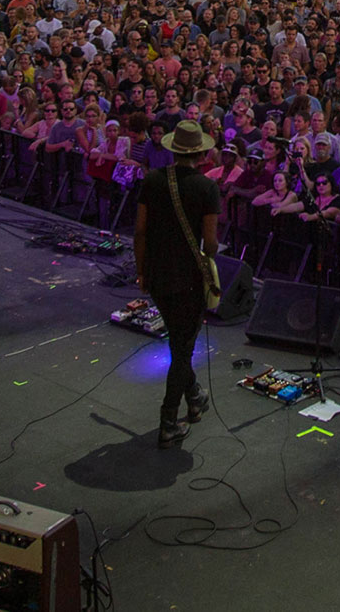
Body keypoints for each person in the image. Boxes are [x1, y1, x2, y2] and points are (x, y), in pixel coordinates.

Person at [135, 119, 222, 449]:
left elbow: (140, 231)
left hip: (157, 273)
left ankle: (195, 396)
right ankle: (169, 421)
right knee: (183, 349)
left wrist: (142, 271)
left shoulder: (153, 180)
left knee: (178, 341)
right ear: (200, 154)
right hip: (187, 278)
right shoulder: (207, 188)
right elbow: (210, 243)